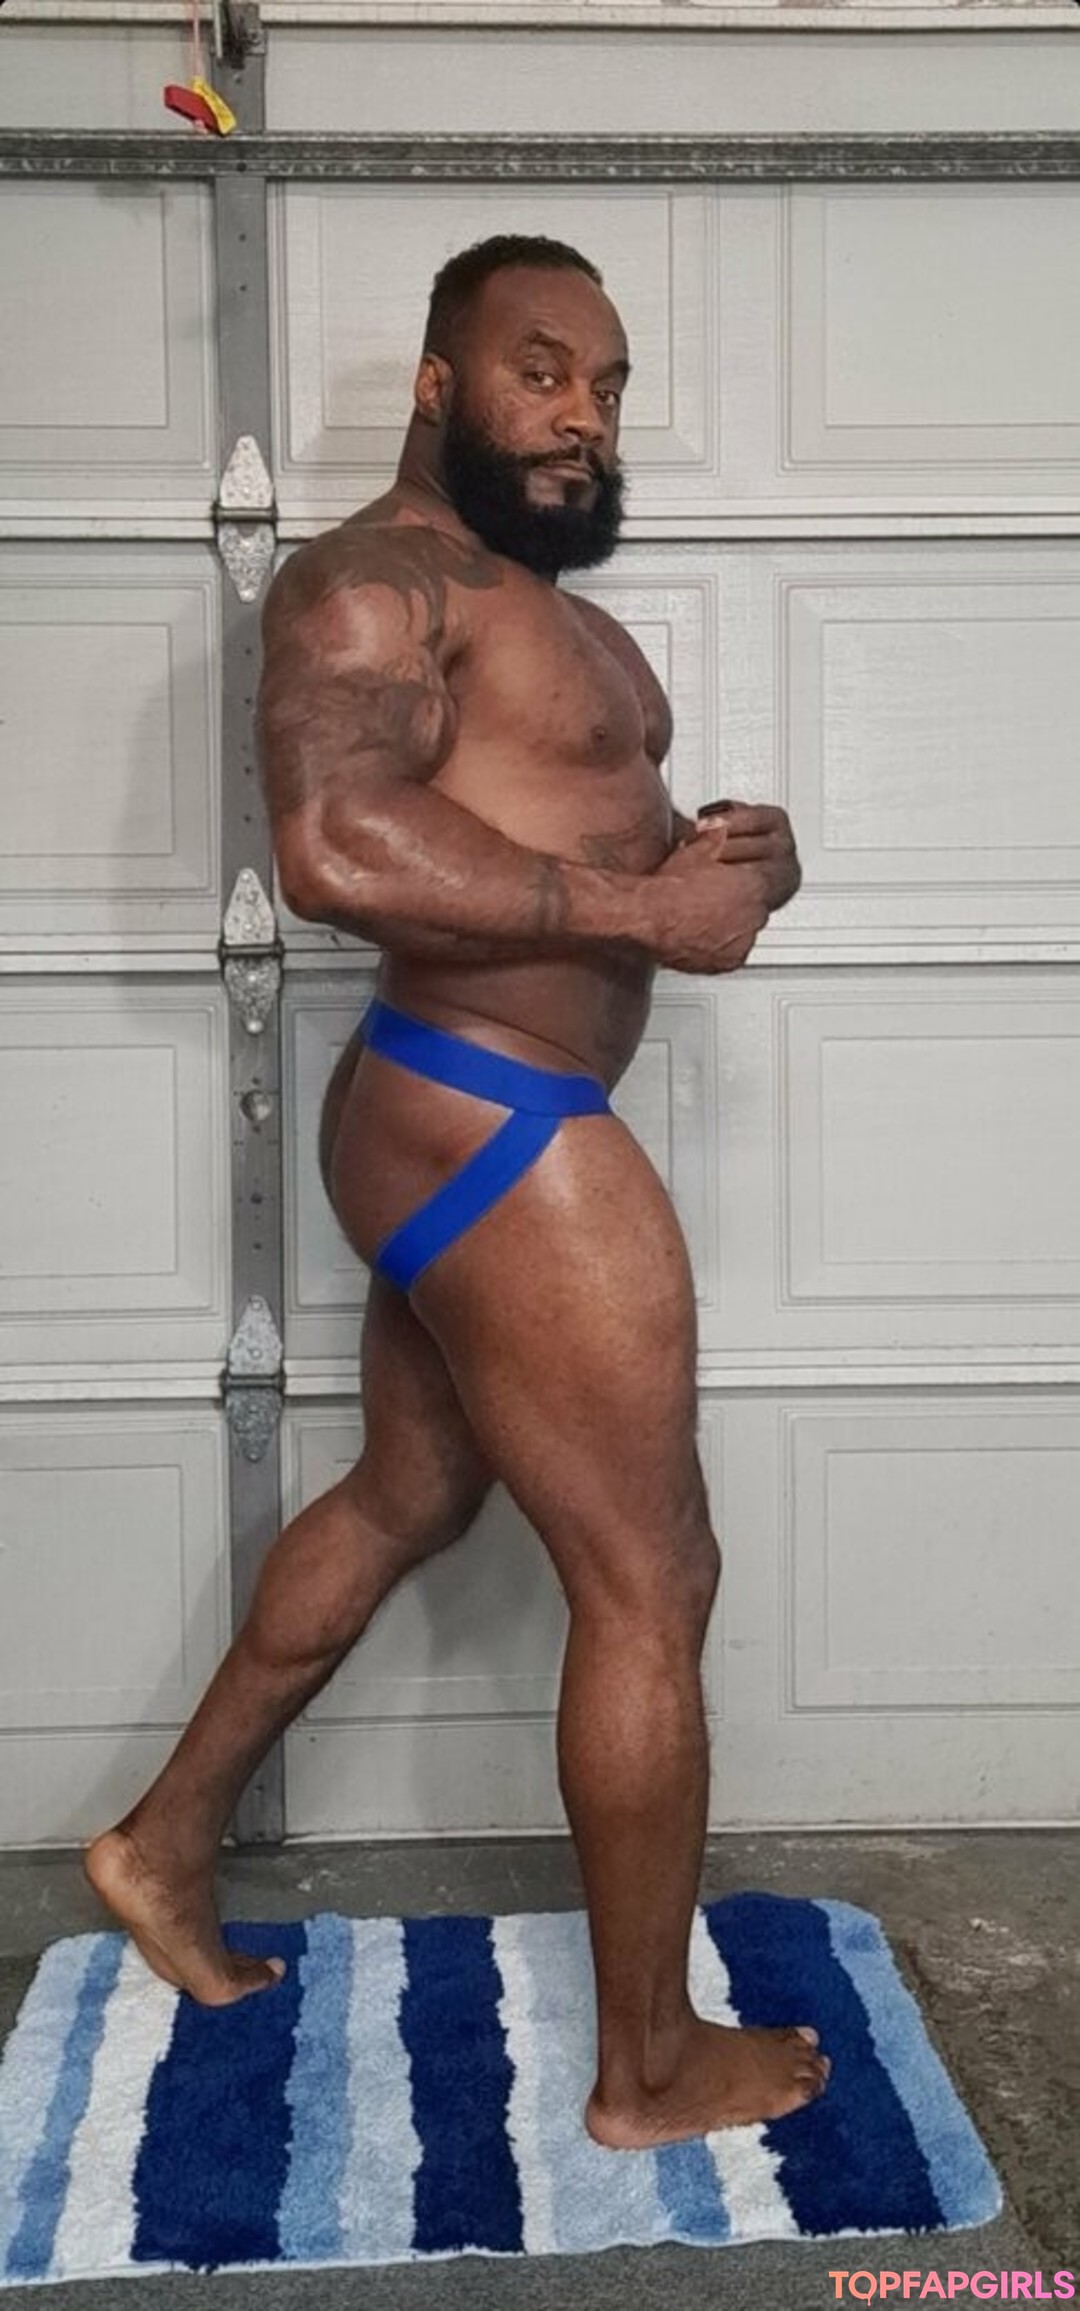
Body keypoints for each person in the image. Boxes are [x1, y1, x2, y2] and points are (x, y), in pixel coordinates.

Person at [86, 233, 827, 2148]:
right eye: (540, 370)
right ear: (438, 384)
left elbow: (575, 829)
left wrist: (734, 856)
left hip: (456, 1110)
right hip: (486, 1106)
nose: (583, 416)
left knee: (410, 1492)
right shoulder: (370, 583)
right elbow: (335, 842)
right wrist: (639, 910)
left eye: (608, 385)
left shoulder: (541, 615)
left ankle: (163, 1844)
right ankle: (649, 2069)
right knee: (655, 1572)